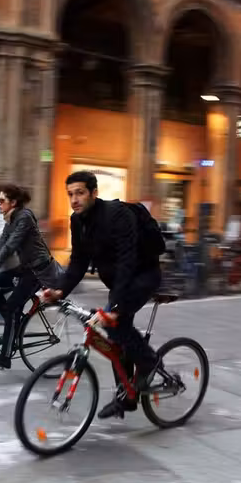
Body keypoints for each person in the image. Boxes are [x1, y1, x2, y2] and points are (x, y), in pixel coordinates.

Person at [42, 171, 164, 420]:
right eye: (70, 194)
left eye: (80, 193)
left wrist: (115, 307)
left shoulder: (118, 216)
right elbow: (78, 262)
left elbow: (127, 262)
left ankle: (150, 361)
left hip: (143, 276)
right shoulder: (77, 221)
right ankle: (127, 395)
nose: (74, 199)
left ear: (94, 193)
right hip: (119, 282)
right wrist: (59, 290)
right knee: (115, 336)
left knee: (116, 324)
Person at [0, 184, 63, 369]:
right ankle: (14, 321)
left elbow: (10, 246)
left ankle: (5, 357)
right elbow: (1, 244)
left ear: (13, 202)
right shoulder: (11, 219)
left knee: (11, 308)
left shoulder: (24, 217)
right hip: (26, 268)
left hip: (40, 271)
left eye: (2, 201)